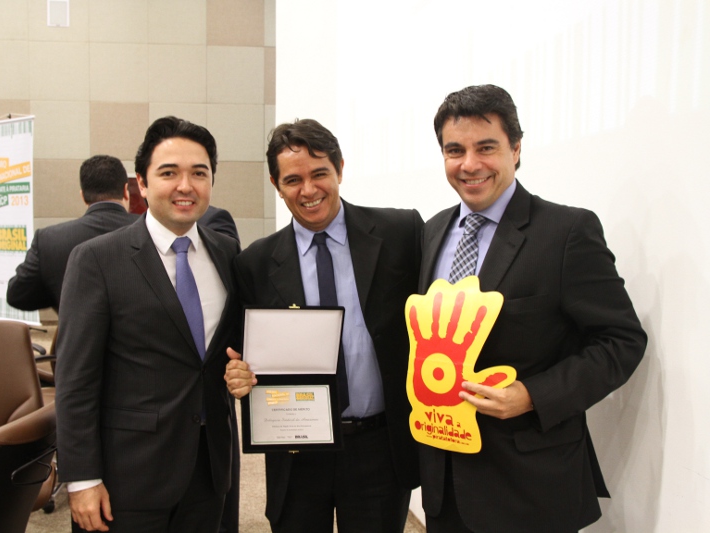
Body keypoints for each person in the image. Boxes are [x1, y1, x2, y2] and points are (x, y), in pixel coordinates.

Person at [418, 84, 647, 533]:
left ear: (516, 149)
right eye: (454, 150)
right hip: (445, 482)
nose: (469, 164)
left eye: (486, 147)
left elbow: (621, 341)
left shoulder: (567, 232)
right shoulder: (432, 232)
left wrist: (532, 395)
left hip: (530, 488)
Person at [224, 119, 422, 533]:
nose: (309, 190)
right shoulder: (255, 263)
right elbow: (243, 349)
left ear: (340, 169)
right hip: (296, 450)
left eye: (319, 174)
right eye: (293, 179)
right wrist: (239, 373)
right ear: (277, 186)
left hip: (378, 447)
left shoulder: (400, 233)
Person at [55, 116, 240, 533]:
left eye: (199, 173)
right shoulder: (97, 259)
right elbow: (75, 379)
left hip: (209, 473)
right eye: (168, 173)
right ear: (140, 183)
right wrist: (82, 478)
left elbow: (224, 350)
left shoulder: (227, 252)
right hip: (127, 479)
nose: (185, 186)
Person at [6, 155, 138, 313]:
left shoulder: (49, 240)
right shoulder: (152, 231)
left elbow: (17, 295)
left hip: (77, 336)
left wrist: (60, 294)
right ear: (125, 190)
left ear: (83, 196)